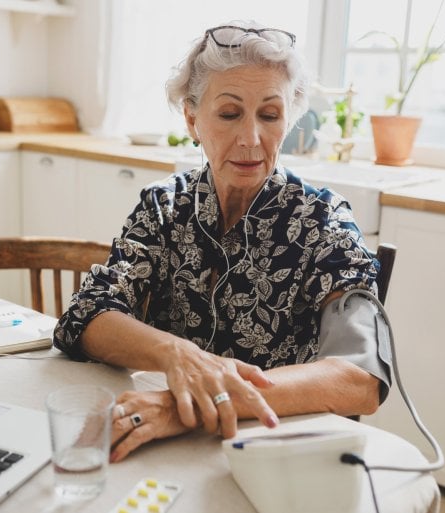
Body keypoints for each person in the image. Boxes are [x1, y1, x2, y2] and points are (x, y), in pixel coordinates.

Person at [53, 21, 392, 463]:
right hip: (166, 449)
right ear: (193, 119)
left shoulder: (323, 222)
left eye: (269, 115)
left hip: (270, 452)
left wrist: (182, 407)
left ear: (288, 119)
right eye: (230, 114)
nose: (251, 139)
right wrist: (179, 354)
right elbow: (86, 315)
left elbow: (360, 379)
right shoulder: (163, 206)